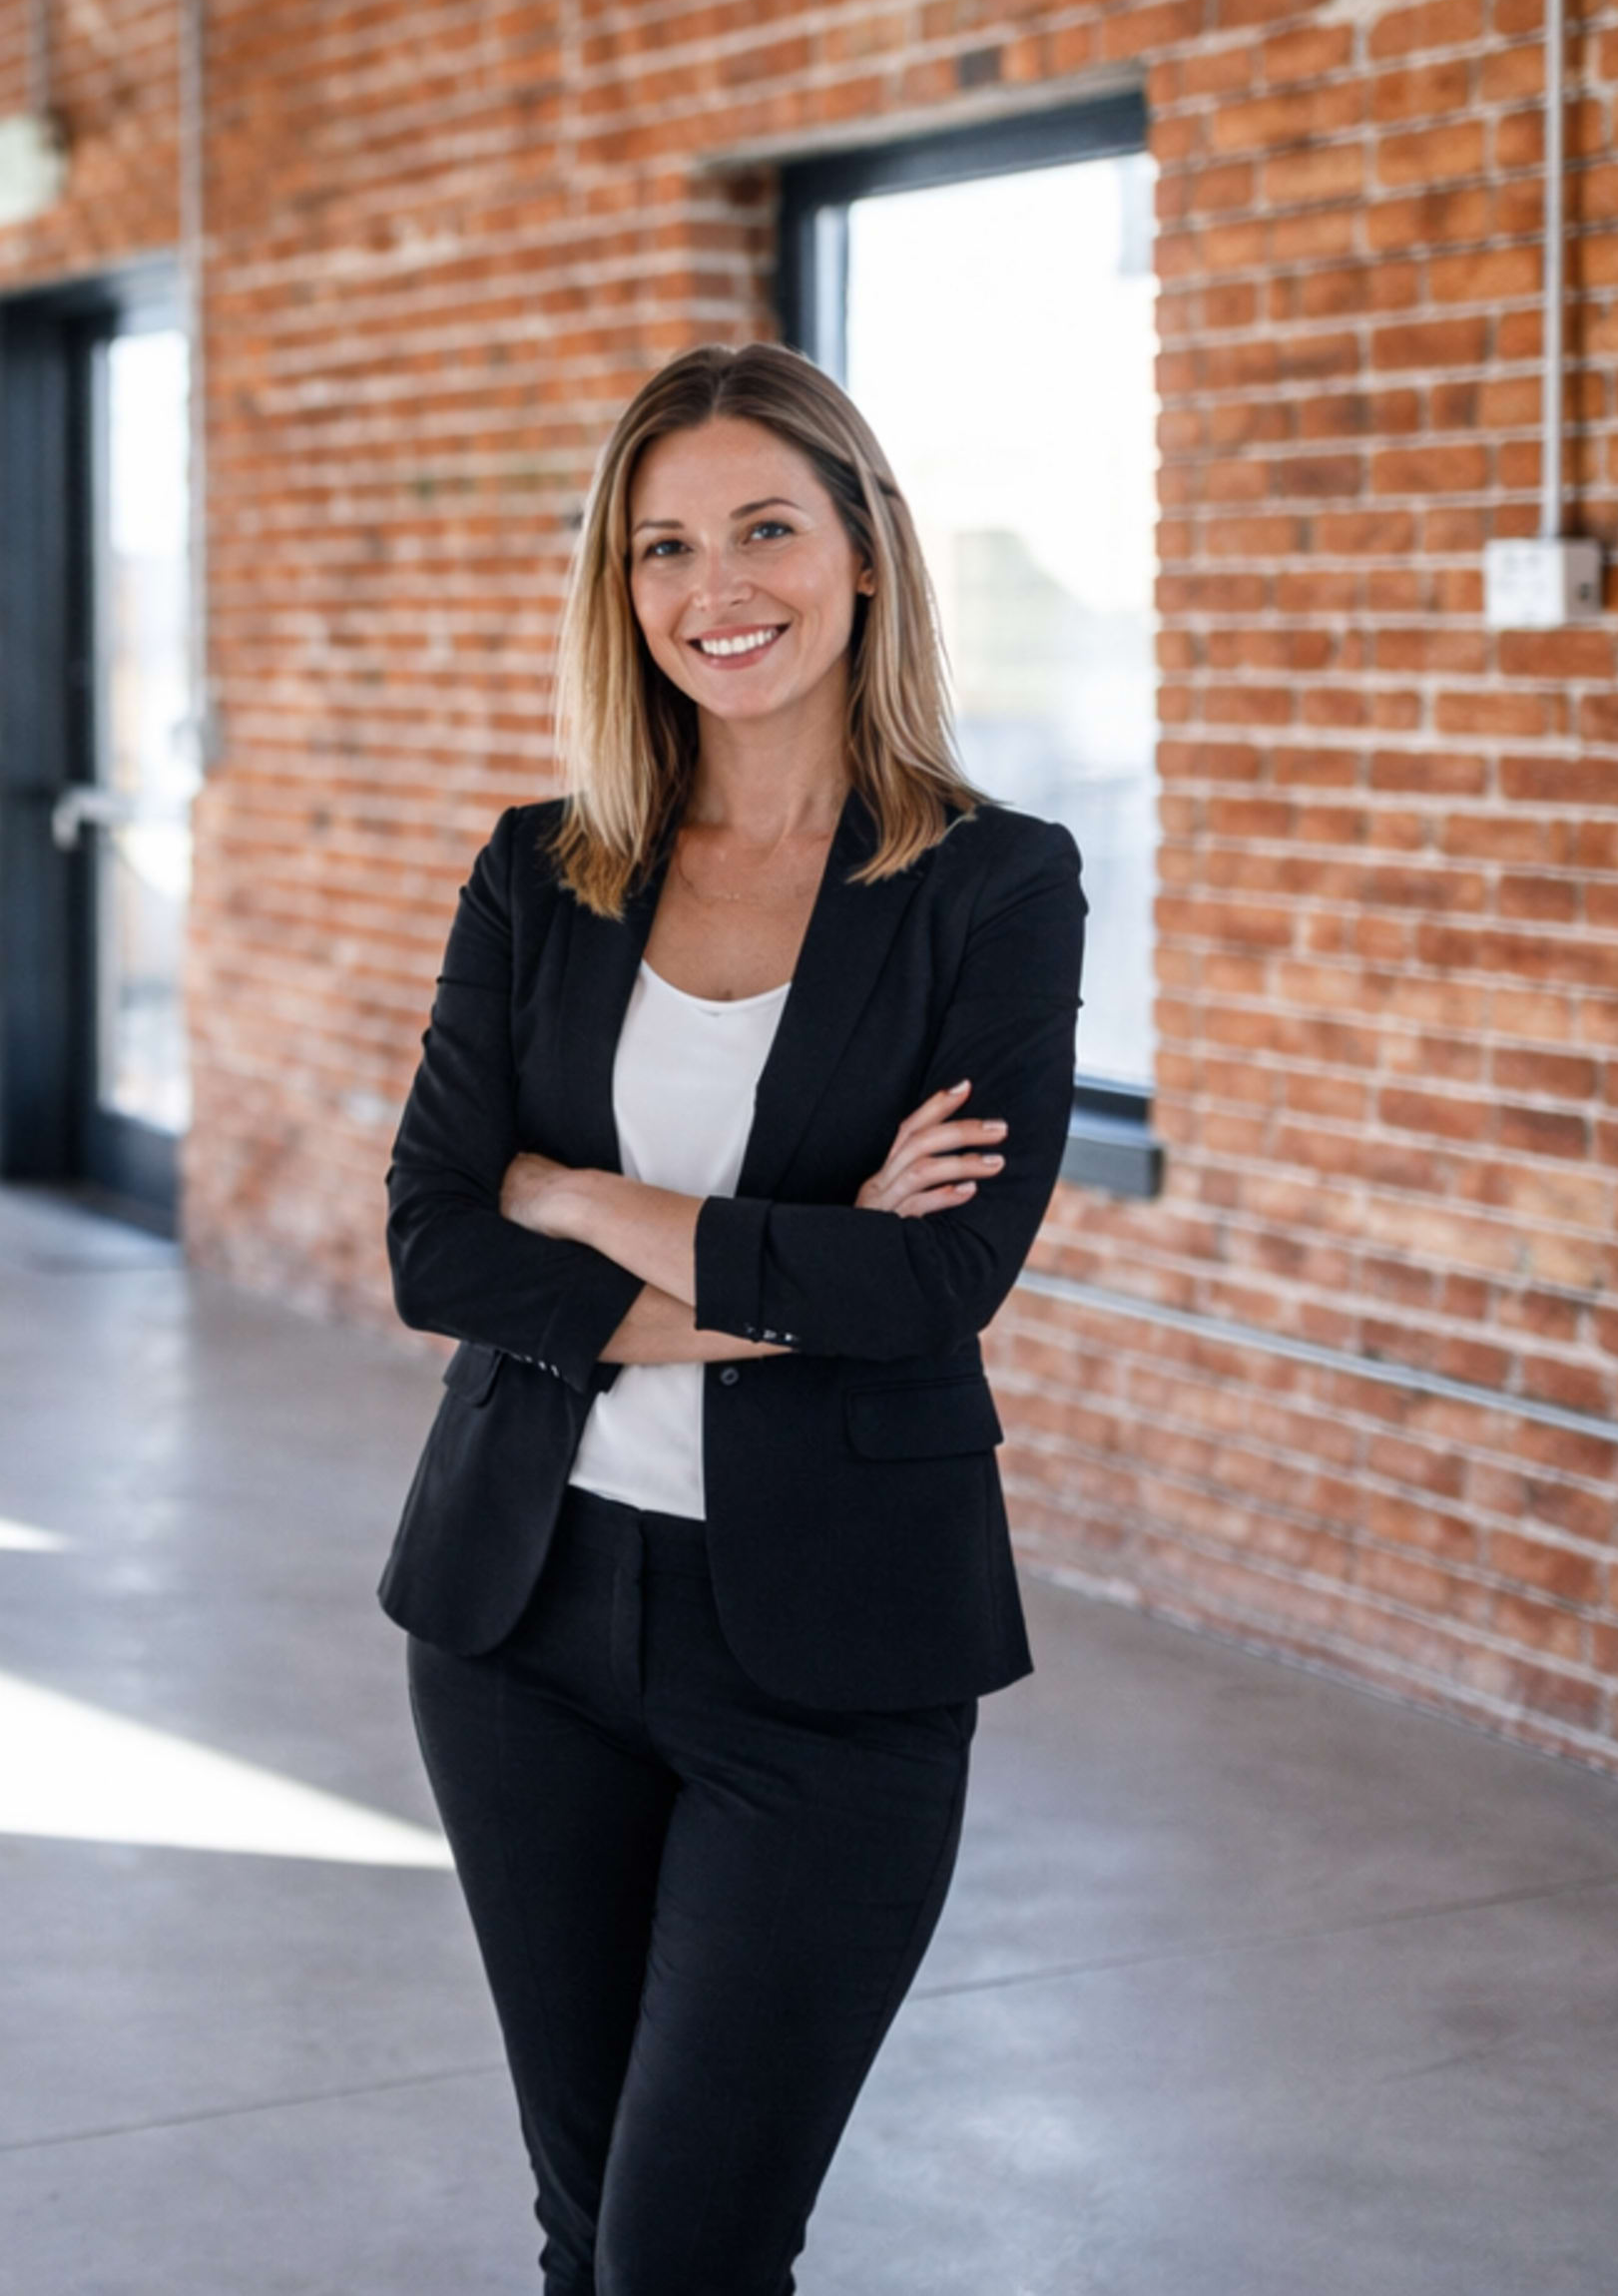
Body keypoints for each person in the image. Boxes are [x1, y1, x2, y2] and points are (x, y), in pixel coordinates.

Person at [382, 341, 1085, 2294]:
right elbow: (436, 1244)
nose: (718, 585)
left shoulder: (995, 889)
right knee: (591, 2227)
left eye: (765, 525)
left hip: (833, 1660)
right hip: (517, 1625)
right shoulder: (544, 868)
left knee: (690, 2245)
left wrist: (588, 1199)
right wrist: (779, 1268)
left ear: (864, 547)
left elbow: (940, 1278)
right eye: (662, 544)